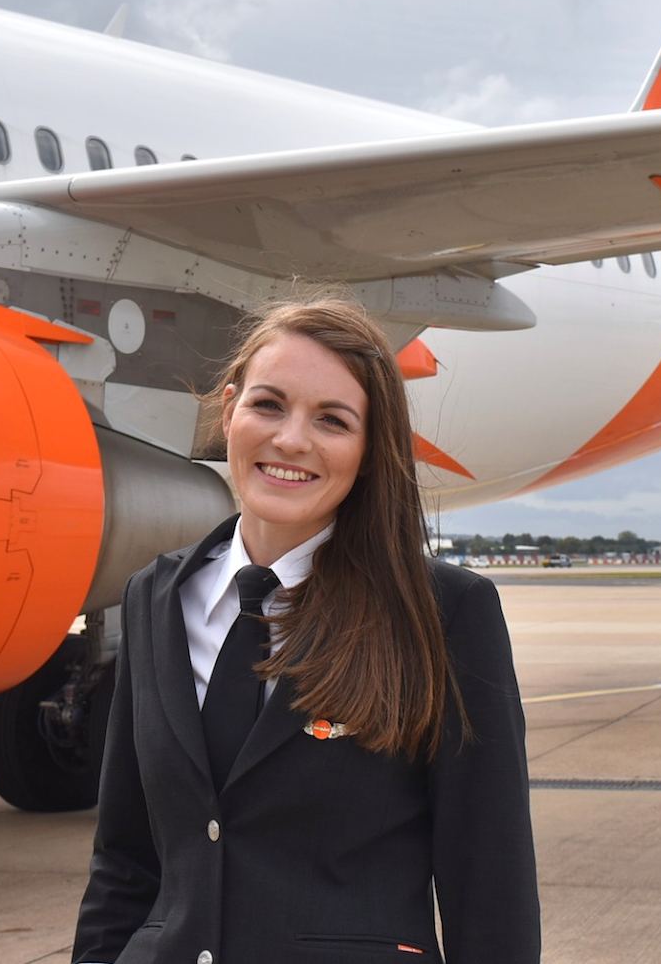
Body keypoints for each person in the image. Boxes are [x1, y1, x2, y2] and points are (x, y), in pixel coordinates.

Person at [72, 295, 541, 963]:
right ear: (228, 411)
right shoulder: (154, 597)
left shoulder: (444, 612)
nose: (292, 439)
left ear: (368, 449)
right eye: (268, 404)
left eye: (332, 420)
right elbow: (124, 860)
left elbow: (490, 888)